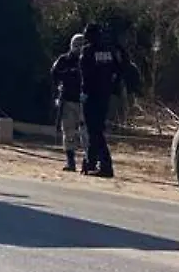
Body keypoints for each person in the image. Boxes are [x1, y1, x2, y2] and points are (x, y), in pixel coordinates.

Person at [79, 22, 124, 178]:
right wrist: (111, 87)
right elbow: (118, 71)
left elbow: (85, 75)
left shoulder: (88, 51)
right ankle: (90, 163)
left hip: (91, 97)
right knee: (95, 131)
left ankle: (105, 164)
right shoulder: (109, 52)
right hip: (105, 96)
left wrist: (84, 93)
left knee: (94, 131)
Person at [51, 33, 87, 172]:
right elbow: (54, 74)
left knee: (86, 133)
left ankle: (88, 160)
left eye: (81, 44)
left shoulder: (88, 59)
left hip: (84, 101)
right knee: (69, 132)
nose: (78, 48)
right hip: (68, 101)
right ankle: (70, 162)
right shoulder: (64, 60)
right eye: (76, 44)